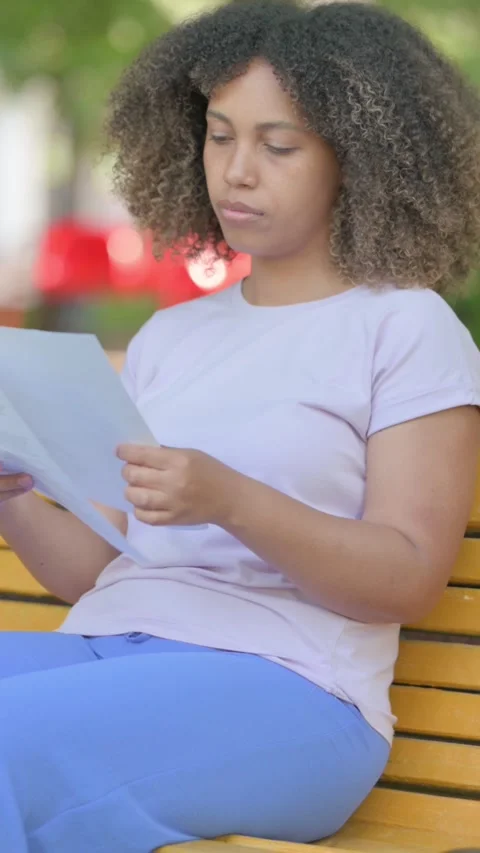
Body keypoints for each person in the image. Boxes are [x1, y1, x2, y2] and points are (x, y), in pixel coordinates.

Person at [1, 1, 480, 851]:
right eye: (220, 136)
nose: (237, 171)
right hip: (112, 649)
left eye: (278, 144)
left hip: (290, 689)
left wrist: (228, 498)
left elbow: (409, 575)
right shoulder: (172, 336)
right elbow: (100, 569)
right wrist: (13, 494)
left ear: (357, 161)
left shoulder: (405, 325)